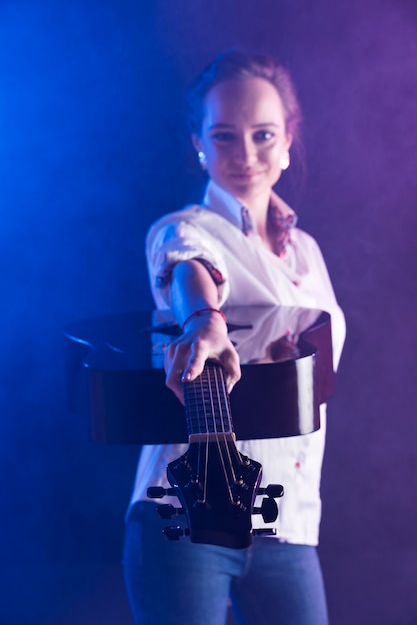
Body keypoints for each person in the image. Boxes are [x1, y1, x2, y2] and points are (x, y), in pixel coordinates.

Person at [123, 50, 346, 625]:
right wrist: (203, 320)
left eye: (262, 135)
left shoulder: (307, 252)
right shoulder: (185, 229)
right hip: (185, 515)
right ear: (198, 143)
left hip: (286, 521)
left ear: (288, 138)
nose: (245, 155)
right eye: (224, 136)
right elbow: (186, 265)